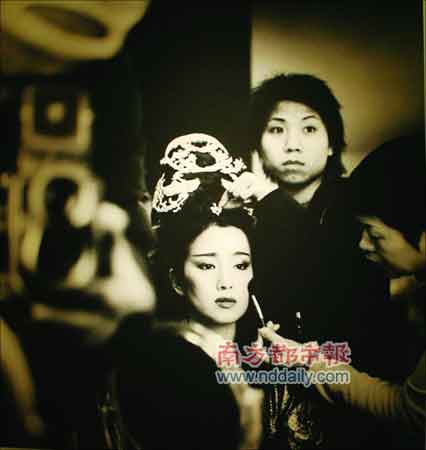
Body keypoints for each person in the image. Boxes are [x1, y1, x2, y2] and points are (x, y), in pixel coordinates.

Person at [222, 73, 418, 448]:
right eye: (276, 130)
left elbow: (340, 278)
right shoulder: (244, 218)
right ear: (257, 144)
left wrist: (271, 202)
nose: (292, 144)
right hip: (274, 399)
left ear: (332, 145)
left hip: (360, 402)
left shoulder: (364, 203)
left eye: (309, 129)